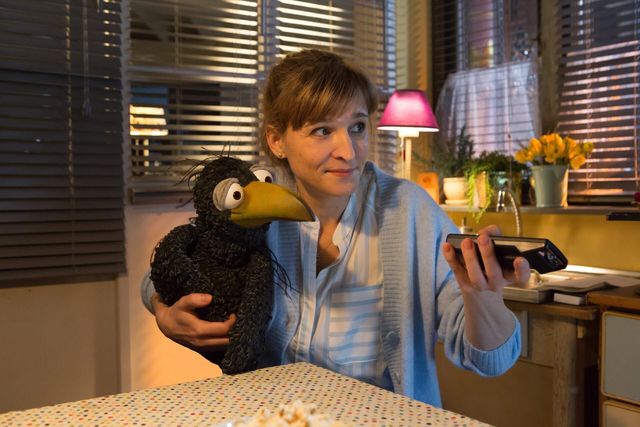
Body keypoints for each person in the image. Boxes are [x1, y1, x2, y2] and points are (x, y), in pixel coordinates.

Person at [141, 49, 530, 407]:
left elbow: (491, 360)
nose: (348, 151)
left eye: (357, 126)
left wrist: (483, 298)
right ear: (276, 140)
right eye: (323, 131)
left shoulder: (408, 211)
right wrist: (164, 313)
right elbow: (166, 274)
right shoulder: (258, 204)